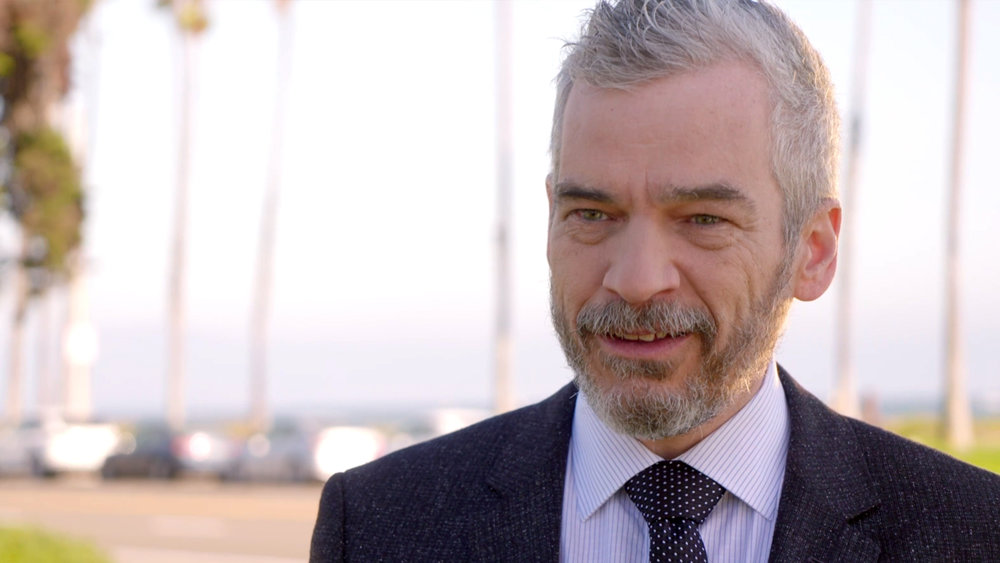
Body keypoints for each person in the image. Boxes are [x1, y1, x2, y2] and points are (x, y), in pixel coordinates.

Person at [310, 0, 1000, 561]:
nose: (637, 280)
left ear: (812, 250)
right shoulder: (376, 527)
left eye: (702, 219)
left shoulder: (974, 532)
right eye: (592, 214)